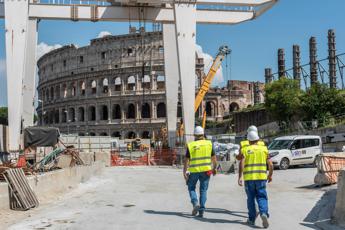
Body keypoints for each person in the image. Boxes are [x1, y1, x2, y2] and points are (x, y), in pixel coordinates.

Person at [237, 131, 273, 228]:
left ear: (248, 140)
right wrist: (270, 175)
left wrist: (240, 177)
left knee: (251, 199)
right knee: (262, 196)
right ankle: (264, 213)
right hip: (261, 178)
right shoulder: (264, 149)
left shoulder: (245, 149)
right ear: (258, 139)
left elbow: (241, 163)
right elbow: (271, 164)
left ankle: (252, 219)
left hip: (249, 179)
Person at [183, 126, 217, 218]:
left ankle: (195, 203)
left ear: (194, 135)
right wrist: (214, 169)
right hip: (207, 171)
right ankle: (201, 211)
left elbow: (186, 160)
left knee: (191, 187)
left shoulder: (191, 145)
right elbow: (214, 158)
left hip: (194, 171)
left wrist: (184, 173)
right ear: (203, 134)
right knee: (203, 190)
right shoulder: (209, 144)